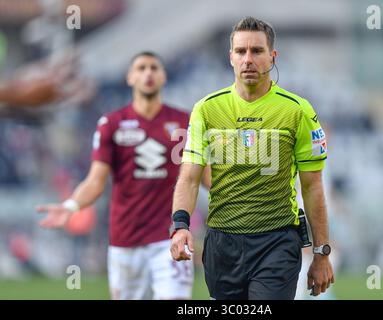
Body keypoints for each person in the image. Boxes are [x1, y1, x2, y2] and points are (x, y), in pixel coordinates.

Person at [170, 17, 334, 300]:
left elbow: (312, 186)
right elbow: (189, 176)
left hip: (277, 240)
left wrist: (321, 253)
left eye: (257, 51)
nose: (248, 59)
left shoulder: (297, 111)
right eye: (241, 51)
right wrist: (180, 226)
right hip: (222, 243)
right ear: (230, 57)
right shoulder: (206, 109)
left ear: (272, 56)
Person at [36, 51, 204, 300]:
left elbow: (203, 175)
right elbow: (95, 180)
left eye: (154, 68)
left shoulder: (184, 122)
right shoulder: (112, 124)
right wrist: (71, 205)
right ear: (130, 77)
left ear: (163, 76)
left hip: (170, 237)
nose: (148, 73)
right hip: (125, 241)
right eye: (141, 68)